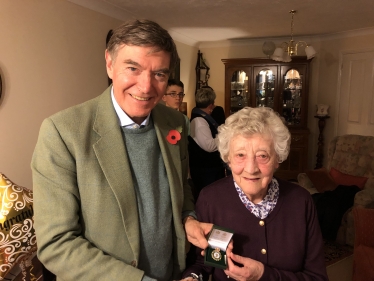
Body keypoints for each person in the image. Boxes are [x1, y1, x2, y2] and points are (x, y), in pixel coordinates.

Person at [31, 19, 211, 281]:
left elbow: (181, 188)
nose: (146, 87)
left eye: (159, 74)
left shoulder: (175, 123)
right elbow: (56, 243)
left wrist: (189, 219)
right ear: (109, 63)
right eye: (133, 68)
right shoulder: (62, 132)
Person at [183, 107, 328, 281]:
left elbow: (317, 277)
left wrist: (263, 275)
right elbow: (201, 264)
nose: (251, 169)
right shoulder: (211, 199)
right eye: (240, 155)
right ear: (228, 158)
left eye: (262, 156)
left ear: (277, 159)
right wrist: (191, 277)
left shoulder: (301, 201)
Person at [188, 87, 226, 200]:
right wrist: (226, 137)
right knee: (209, 197)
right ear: (211, 104)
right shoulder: (199, 121)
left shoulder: (201, 117)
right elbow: (209, 146)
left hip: (208, 168)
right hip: (205, 169)